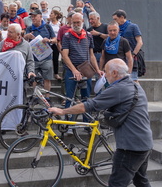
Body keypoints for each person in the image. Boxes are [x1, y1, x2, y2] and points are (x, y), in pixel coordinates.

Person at [49, 58, 153, 187]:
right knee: (140, 181)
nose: (103, 75)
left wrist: (62, 111)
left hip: (131, 147)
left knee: (116, 183)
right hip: (144, 142)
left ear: (114, 73)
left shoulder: (119, 89)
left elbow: (89, 106)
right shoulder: (135, 85)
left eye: (105, 72)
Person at [61, 13, 102, 108]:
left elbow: (91, 55)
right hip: (71, 71)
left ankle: (86, 122)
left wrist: (97, 69)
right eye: (74, 22)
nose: (76, 25)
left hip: (85, 70)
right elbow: (65, 55)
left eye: (78, 22)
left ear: (82, 21)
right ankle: (68, 122)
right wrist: (74, 70)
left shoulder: (88, 36)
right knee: (69, 98)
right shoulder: (67, 36)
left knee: (86, 99)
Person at [24, 9, 56, 102]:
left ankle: (47, 96)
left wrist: (49, 40)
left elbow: (55, 39)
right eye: (32, 17)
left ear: (40, 17)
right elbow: (24, 40)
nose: (33, 18)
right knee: (33, 78)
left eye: (35, 16)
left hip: (46, 57)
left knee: (47, 78)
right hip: (34, 57)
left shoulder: (47, 27)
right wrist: (27, 36)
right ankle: (36, 95)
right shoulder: (29, 28)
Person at [112, 9, 143, 82]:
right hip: (120, 56)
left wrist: (133, 54)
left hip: (131, 56)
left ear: (122, 17)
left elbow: (140, 42)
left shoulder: (133, 26)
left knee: (133, 79)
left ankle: (138, 93)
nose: (114, 21)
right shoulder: (116, 29)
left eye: (116, 19)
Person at [48, 9, 63, 80]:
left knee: (55, 58)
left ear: (56, 15)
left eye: (52, 13)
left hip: (56, 43)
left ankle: (56, 73)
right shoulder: (48, 24)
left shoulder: (60, 24)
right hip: (49, 43)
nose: (50, 15)